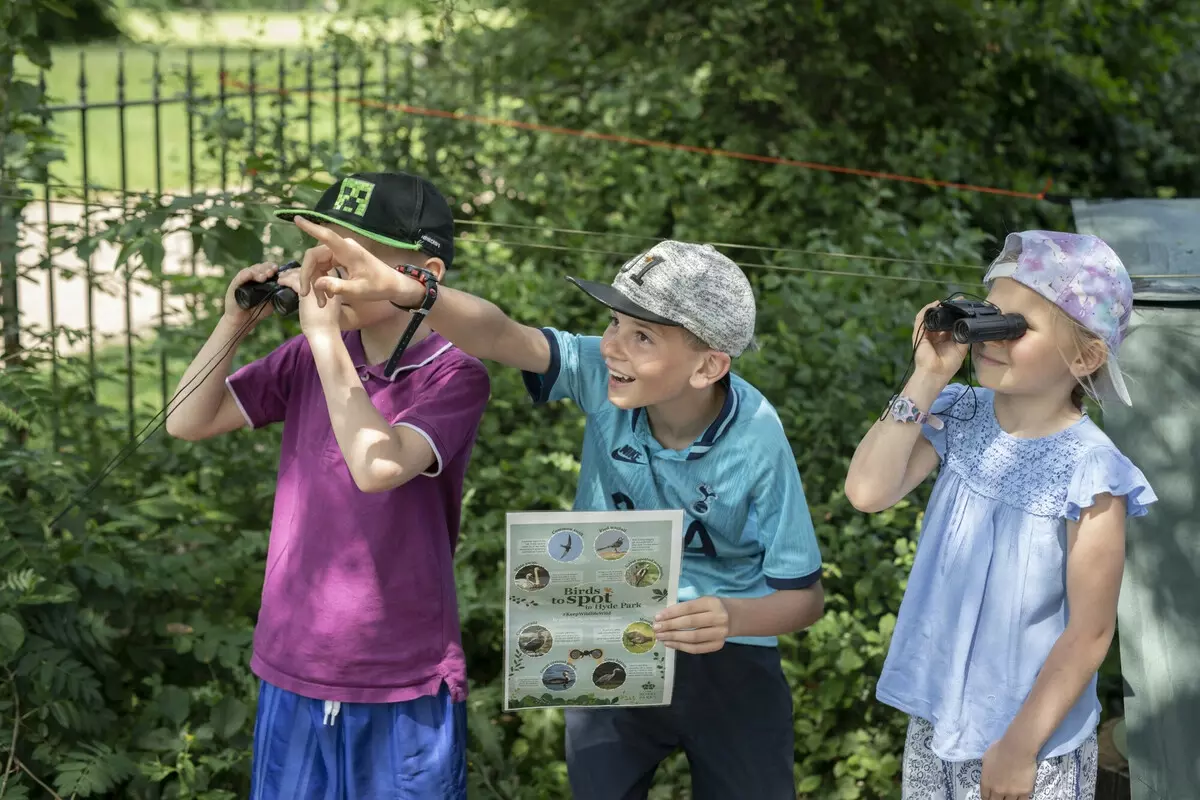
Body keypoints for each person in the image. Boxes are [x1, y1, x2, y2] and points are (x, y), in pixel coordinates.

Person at [290, 219, 826, 800]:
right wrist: (415, 293)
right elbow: (502, 336)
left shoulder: (757, 441)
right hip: (603, 627)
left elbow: (805, 598)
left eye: (643, 336)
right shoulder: (604, 372)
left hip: (726, 655)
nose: (613, 344)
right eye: (615, 321)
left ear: (708, 367)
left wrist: (735, 618)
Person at [165, 171, 491, 799]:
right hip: (296, 659)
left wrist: (320, 339)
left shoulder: (455, 375)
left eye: (349, 256)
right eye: (320, 250)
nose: (324, 271)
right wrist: (235, 323)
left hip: (401, 675)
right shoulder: (313, 356)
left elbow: (379, 467)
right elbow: (188, 419)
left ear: (423, 274)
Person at [844, 230, 1157, 799]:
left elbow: (1091, 632)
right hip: (941, 715)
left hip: (1029, 738)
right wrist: (929, 375)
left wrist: (1019, 748)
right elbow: (868, 491)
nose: (991, 339)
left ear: (1085, 355)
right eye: (991, 318)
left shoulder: (1091, 470)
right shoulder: (961, 413)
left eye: (1018, 328)